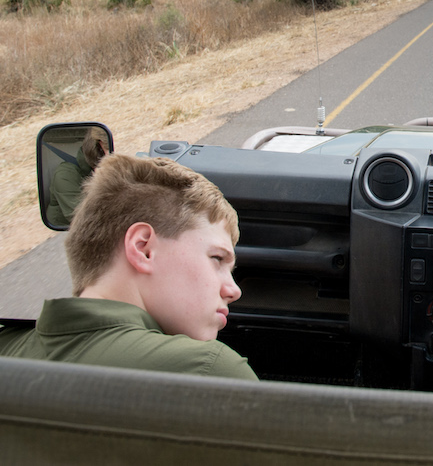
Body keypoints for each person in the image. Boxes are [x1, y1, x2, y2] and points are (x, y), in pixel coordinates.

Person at [0, 154, 256, 380]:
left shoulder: (7, 347)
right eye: (217, 259)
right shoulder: (206, 371)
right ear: (143, 248)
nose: (233, 290)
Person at [46, 126, 109, 227]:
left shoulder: (108, 169)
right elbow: (86, 221)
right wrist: (100, 184)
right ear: (100, 147)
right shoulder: (64, 175)